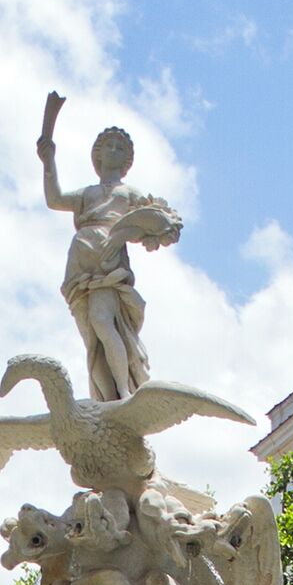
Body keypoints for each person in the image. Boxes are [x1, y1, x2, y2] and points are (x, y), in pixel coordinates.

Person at [38, 92, 182, 401]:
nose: (113, 151)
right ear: (97, 155)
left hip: (107, 259)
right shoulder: (87, 193)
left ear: (127, 161)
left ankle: (125, 391)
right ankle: (105, 397)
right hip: (80, 258)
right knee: (92, 338)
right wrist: (48, 161)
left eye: (120, 148)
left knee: (104, 322)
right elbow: (54, 199)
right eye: (108, 147)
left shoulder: (129, 194)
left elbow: (165, 224)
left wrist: (124, 235)